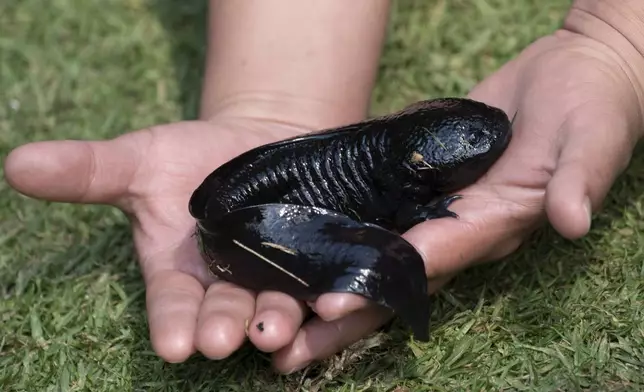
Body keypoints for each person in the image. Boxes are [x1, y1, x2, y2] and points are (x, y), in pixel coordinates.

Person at [4, 0, 644, 375]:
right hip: (241, 210)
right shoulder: (398, 163)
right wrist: (277, 97)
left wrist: (616, 41)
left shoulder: (404, 158)